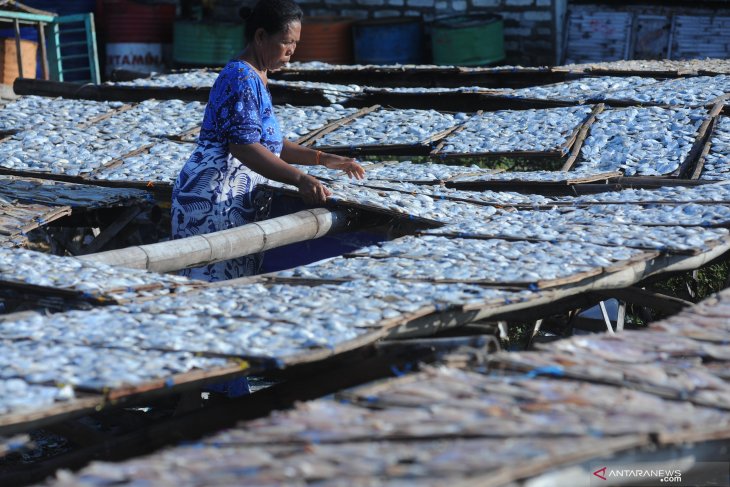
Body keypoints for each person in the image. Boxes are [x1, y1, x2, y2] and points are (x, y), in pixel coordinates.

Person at [171, 0, 365, 282]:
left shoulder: (258, 76)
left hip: (233, 197)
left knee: (234, 281)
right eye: (286, 42)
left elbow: (271, 143)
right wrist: (300, 179)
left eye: (296, 43)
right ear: (261, 36)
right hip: (212, 197)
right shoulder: (241, 76)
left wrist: (324, 159)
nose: (292, 51)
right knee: (210, 284)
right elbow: (244, 146)